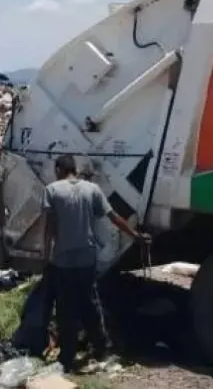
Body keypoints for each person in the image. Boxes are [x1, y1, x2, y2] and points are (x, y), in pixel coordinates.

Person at [43, 154, 150, 373]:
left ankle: (67, 355)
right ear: (74, 169)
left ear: (58, 169)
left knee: (66, 308)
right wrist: (135, 234)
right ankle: (101, 348)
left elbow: (50, 227)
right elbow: (113, 217)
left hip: (64, 260)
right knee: (91, 304)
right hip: (87, 258)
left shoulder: (52, 190)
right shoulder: (92, 190)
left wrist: (47, 256)